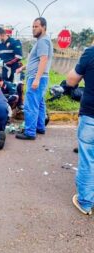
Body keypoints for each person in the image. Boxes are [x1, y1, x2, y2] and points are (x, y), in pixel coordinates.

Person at [66, 45, 94, 215]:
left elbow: (71, 81)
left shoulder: (91, 52)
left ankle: (85, 202)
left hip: (91, 115)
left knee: (88, 159)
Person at [15, 17, 53, 140]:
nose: (33, 29)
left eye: (36, 26)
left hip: (37, 78)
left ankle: (30, 132)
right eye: (33, 26)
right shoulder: (43, 41)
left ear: (44, 27)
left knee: (31, 105)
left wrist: (36, 79)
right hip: (40, 77)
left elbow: (43, 60)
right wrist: (23, 68)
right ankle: (40, 127)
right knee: (40, 104)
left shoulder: (43, 41)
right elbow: (36, 61)